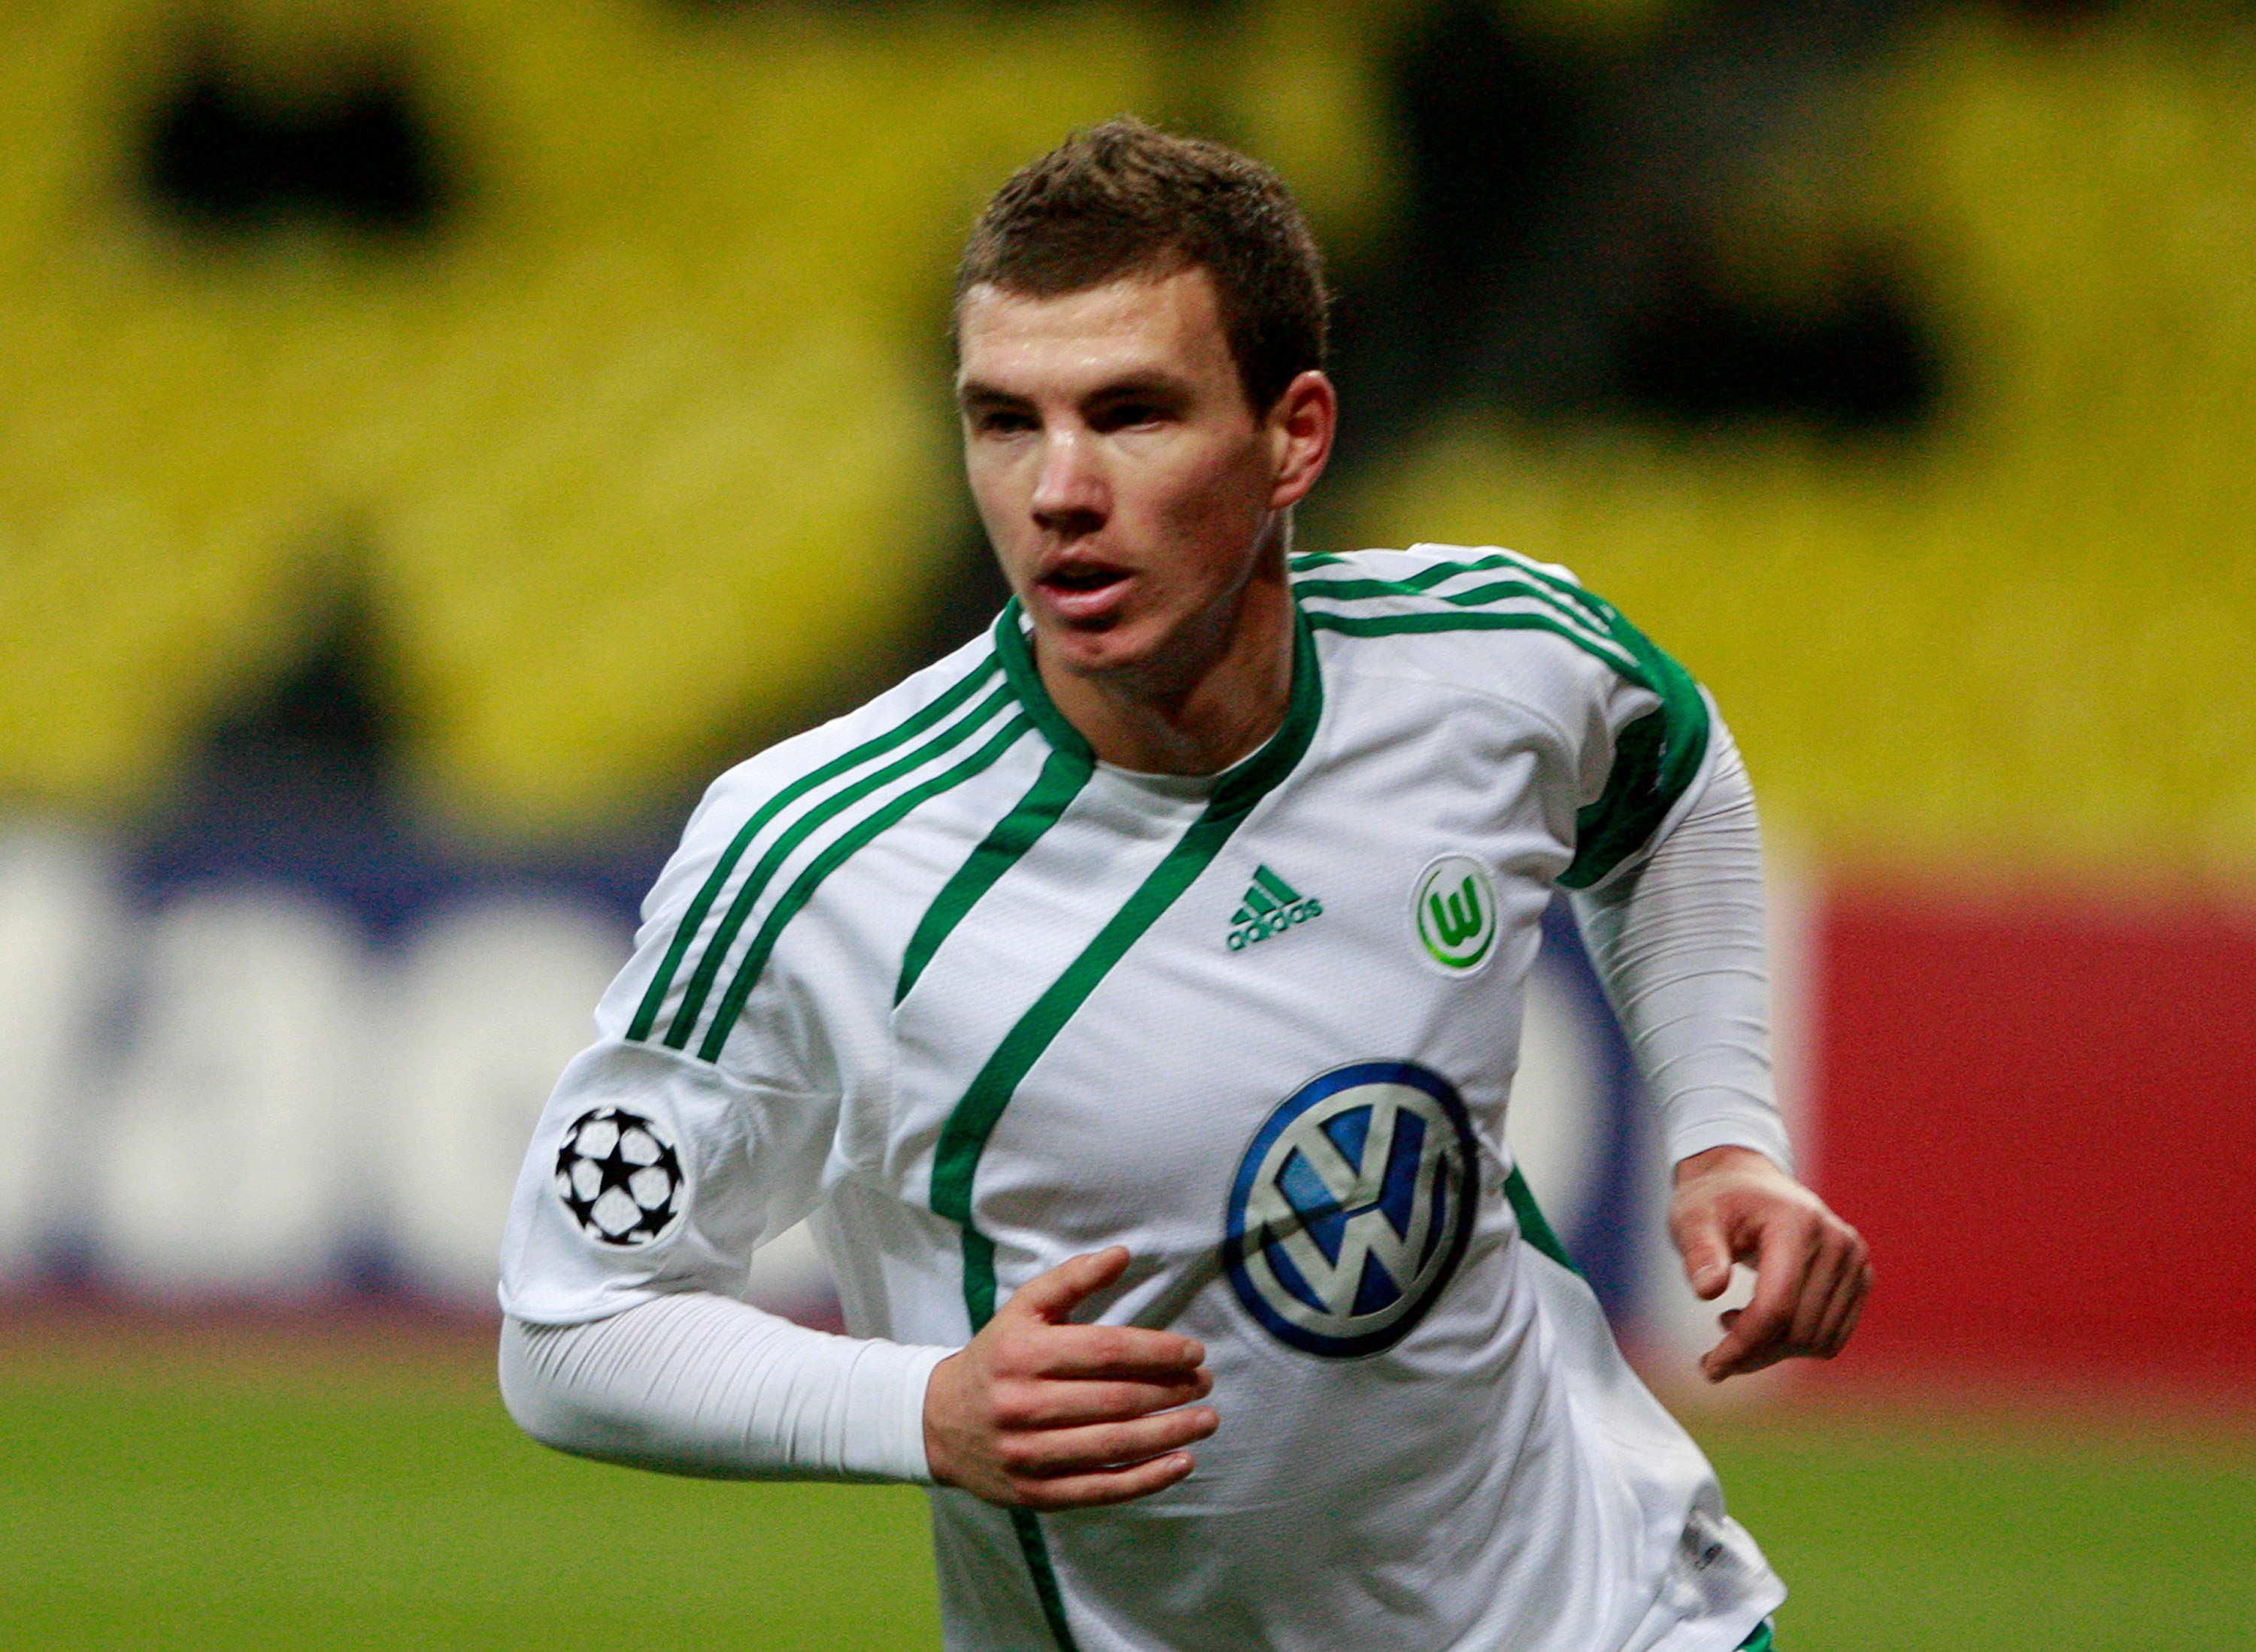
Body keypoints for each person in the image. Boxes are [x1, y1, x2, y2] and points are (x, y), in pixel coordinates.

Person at [498, 117, 1869, 1652]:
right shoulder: (818, 851)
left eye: (1132, 413)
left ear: (1296, 433)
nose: (1058, 489)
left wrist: (1725, 1129)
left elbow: (1669, 778)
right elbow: (573, 1324)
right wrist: (923, 1408)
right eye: (1004, 421)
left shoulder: (1494, 659)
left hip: (1610, 1612)